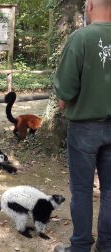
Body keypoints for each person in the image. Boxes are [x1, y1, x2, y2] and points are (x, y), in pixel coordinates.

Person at [53, 0, 111, 251]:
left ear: (89, 6)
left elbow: (66, 88)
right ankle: (107, 245)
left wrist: (63, 98)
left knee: (82, 189)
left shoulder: (81, 38)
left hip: (85, 127)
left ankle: (80, 246)